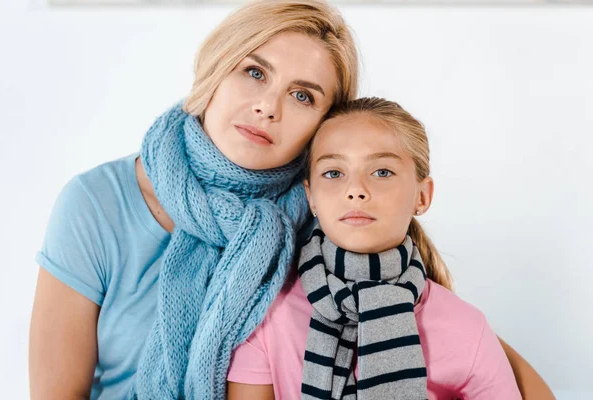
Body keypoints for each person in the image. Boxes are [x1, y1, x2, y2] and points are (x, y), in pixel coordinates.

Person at [28, 1, 552, 399]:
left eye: (303, 95)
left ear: (323, 125)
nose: (268, 107)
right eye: (254, 72)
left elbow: (452, 333)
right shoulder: (96, 204)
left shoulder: (330, 214)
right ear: (215, 70)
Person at [226, 98, 551, 399]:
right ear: (311, 196)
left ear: (422, 196)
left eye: (382, 171)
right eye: (334, 172)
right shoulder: (267, 313)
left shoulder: (467, 330)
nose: (355, 190)